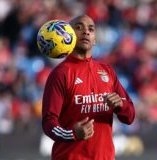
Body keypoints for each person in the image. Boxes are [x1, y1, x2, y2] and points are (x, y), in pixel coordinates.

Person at [42, 15, 135, 160]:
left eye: (91, 29)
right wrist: (71, 134)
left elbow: (130, 117)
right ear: (68, 35)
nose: (86, 32)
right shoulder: (60, 74)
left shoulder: (107, 71)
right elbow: (48, 122)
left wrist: (120, 105)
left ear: (95, 39)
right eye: (79, 27)